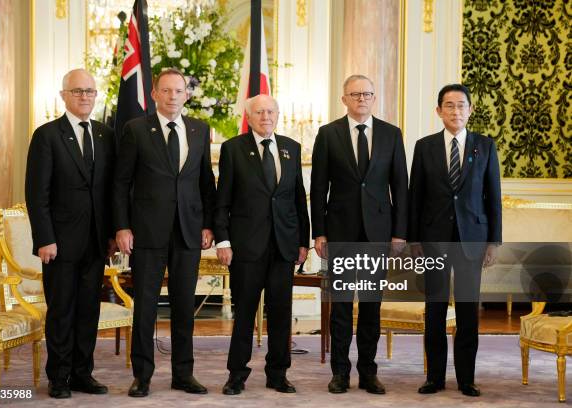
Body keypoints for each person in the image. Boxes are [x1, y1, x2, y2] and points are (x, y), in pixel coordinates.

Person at [113, 68, 216, 397]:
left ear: (188, 94)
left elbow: (205, 183)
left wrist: (209, 224)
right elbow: (121, 183)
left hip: (188, 231)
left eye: (179, 91)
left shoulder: (200, 130)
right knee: (145, 306)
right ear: (155, 94)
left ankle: (183, 374)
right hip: (146, 232)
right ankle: (142, 376)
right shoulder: (136, 129)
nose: (173, 96)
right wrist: (122, 226)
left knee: (185, 305)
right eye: (166, 91)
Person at [310, 75, 408, 394]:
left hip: (378, 235)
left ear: (374, 98)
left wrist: (399, 234)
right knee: (340, 307)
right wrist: (319, 233)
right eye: (355, 94)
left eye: (367, 94)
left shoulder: (392, 135)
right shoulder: (328, 135)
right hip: (339, 234)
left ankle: (368, 371)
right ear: (344, 99)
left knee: (370, 307)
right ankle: (340, 372)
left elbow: (400, 189)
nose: (361, 99)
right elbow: (317, 188)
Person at [25, 68, 116, 399]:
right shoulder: (47, 135)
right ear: (63, 95)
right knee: (62, 310)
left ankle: (82, 373)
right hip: (59, 243)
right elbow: (37, 194)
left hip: (95, 243)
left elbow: (110, 191)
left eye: (89, 91)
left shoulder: (106, 135)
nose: (84, 97)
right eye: (77, 91)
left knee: (88, 310)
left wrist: (111, 235)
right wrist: (44, 238)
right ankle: (59, 376)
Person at [409, 83, 501, 397]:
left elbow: (494, 198)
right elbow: (415, 197)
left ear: (470, 110)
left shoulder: (485, 146)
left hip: (471, 239)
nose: (455, 111)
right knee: (434, 309)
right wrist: (414, 240)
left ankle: (466, 379)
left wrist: (493, 242)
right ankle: (434, 377)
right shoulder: (424, 147)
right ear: (439, 111)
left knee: (466, 310)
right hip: (433, 240)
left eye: (461, 105)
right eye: (449, 105)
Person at [214, 94, 310, 395]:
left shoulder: (291, 148)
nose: (265, 116)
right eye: (259, 112)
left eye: (270, 111)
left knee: (281, 312)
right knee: (244, 313)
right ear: (249, 116)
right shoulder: (233, 149)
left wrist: (302, 242)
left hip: (283, 246)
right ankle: (237, 375)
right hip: (246, 246)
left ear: (278, 115)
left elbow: (297, 199)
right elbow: (222, 201)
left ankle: (278, 373)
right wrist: (224, 240)